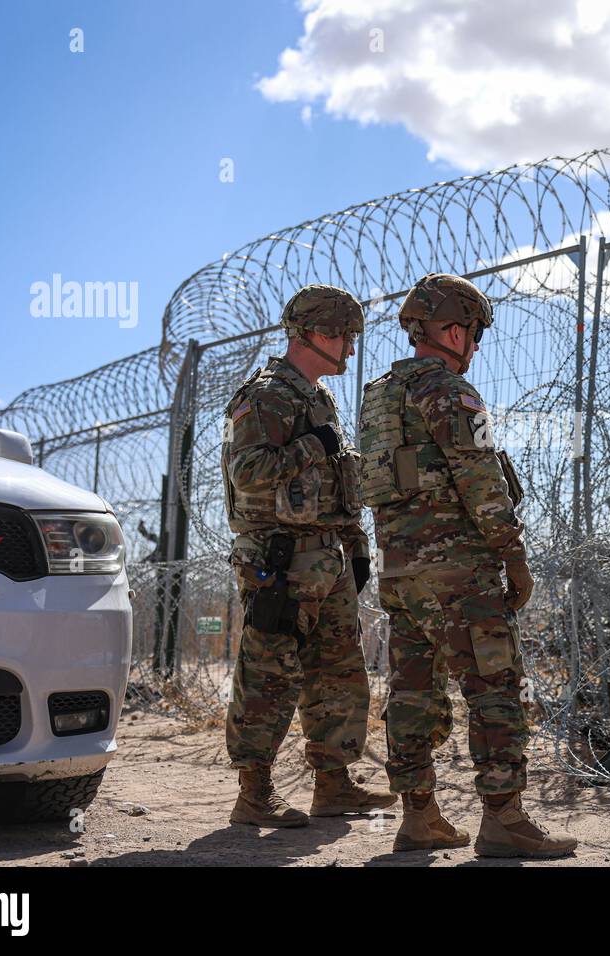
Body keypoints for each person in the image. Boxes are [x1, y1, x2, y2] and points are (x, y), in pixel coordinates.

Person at [357, 272, 577, 857]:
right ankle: (504, 818)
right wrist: (515, 558)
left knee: (411, 692)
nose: (475, 347)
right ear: (453, 330)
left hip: (399, 571)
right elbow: (480, 481)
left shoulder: (379, 393)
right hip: (458, 571)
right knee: (494, 686)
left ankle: (419, 817)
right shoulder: (452, 392)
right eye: (475, 334)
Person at [221, 283, 395, 827]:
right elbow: (245, 472)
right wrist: (310, 446)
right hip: (281, 560)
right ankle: (254, 793)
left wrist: (358, 546)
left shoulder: (318, 398)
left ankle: (334, 784)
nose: (349, 347)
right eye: (345, 336)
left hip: (328, 558)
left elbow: (338, 481)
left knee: (340, 673)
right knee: (270, 672)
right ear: (319, 332)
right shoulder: (267, 395)